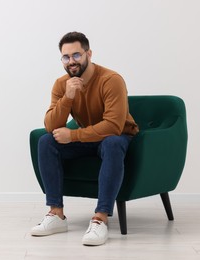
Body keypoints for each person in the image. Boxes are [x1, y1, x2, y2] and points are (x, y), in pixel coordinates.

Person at [30, 32, 139, 246]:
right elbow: (51, 125)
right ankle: (56, 214)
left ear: (88, 53)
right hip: (88, 138)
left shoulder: (111, 80)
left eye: (76, 55)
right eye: (66, 57)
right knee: (46, 141)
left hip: (117, 137)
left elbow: (114, 126)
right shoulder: (62, 84)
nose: (71, 62)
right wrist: (68, 97)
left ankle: (100, 219)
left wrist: (73, 135)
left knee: (112, 142)